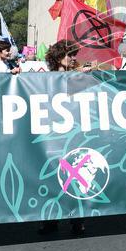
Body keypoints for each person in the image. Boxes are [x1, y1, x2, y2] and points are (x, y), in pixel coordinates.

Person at [39, 40, 88, 235]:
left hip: (74, 134)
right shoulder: (44, 79)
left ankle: (77, 219)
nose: (74, 58)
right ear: (59, 56)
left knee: (75, 177)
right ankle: (50, 220)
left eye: (75, 54)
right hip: (52, 135)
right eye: (70, 54)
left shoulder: (78, 77)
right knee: (52, 178)